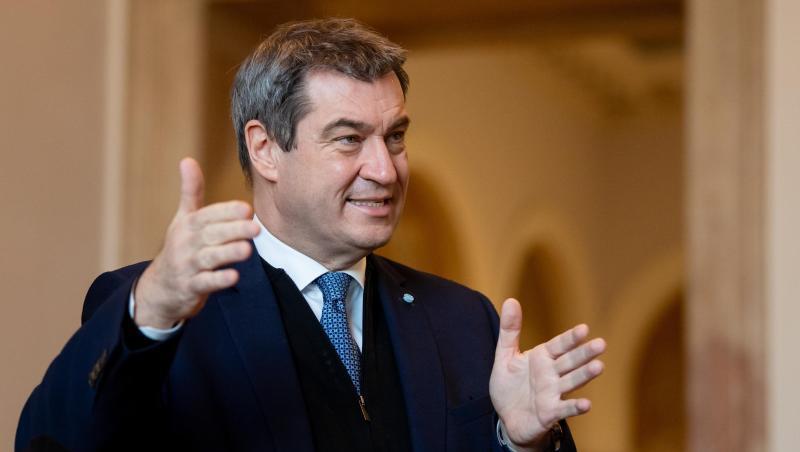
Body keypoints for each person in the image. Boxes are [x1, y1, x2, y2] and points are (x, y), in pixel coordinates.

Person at [16, 18, 606, 452]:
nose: (386, 169)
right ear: (265, 148)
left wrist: (519, 443)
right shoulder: (160, 314)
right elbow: (52, 442)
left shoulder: (463, 320)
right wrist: (150, 313)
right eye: (349, 139)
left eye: (394, 137)